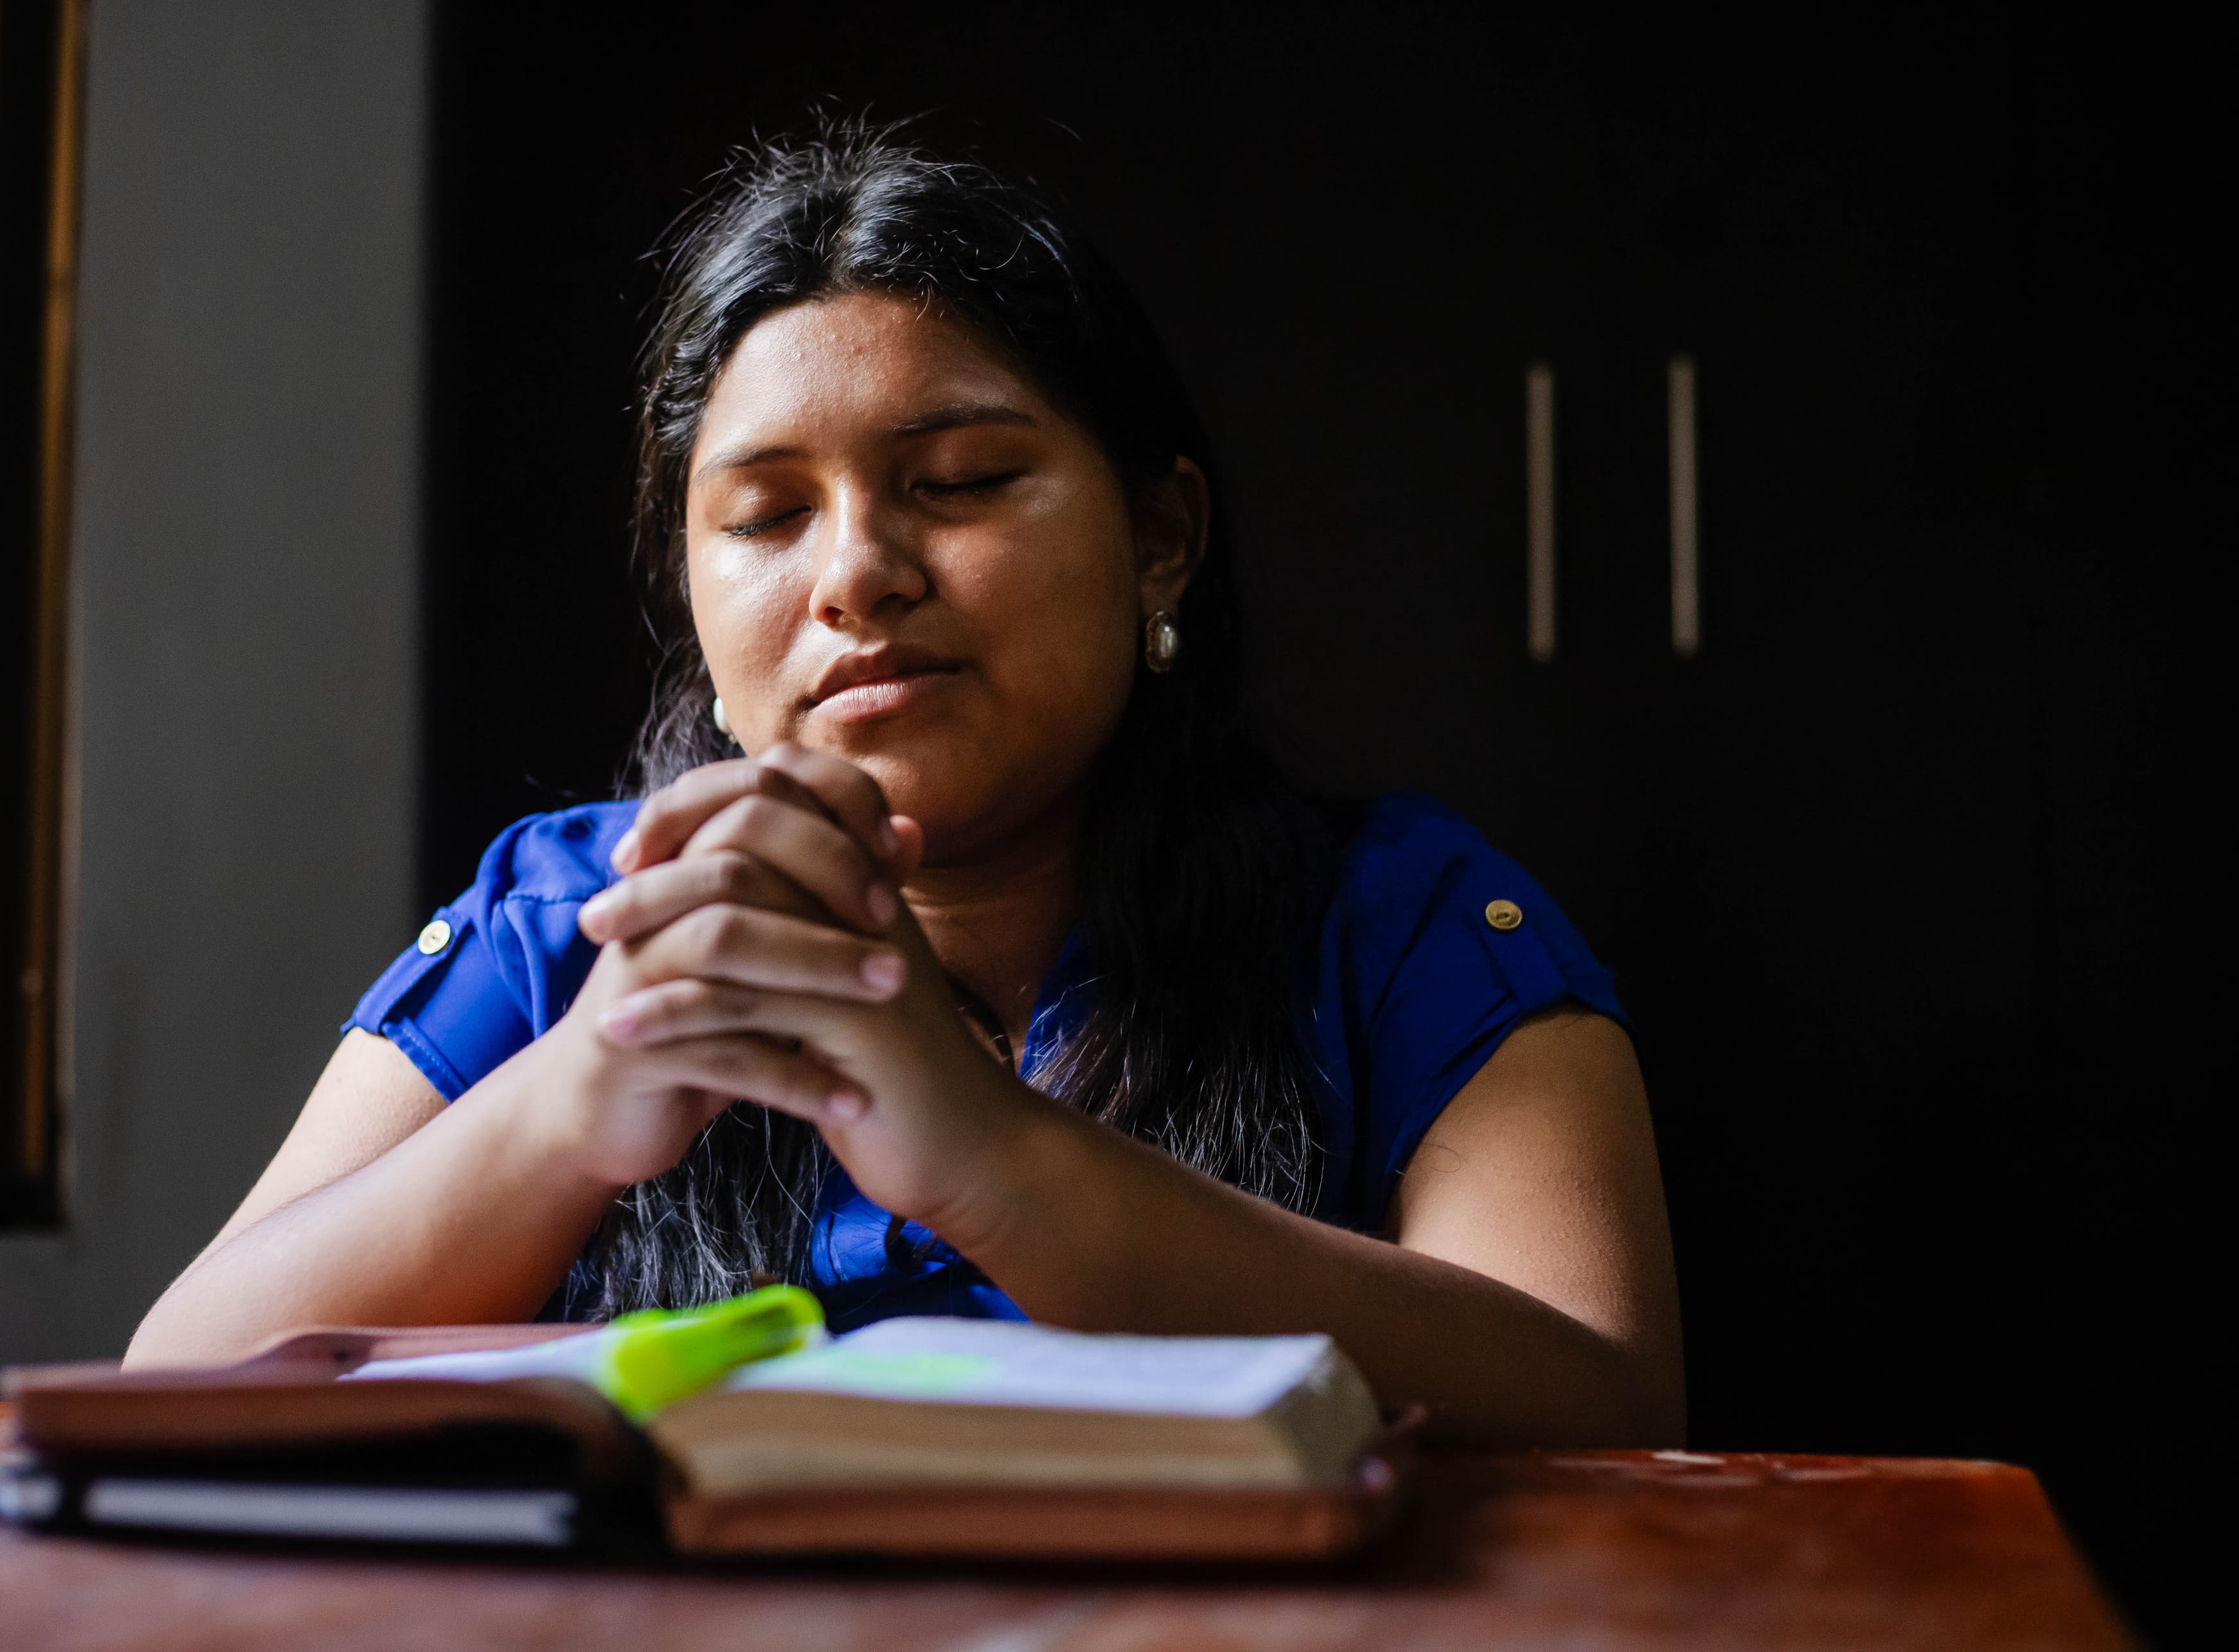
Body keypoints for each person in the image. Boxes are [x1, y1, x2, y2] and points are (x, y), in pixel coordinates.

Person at [128, 124, 1683, 1447]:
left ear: (1161, 541)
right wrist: (575, 1102)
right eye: (765, 516)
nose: (857, 575)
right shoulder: (570, 924)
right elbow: (177, 1380)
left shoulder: (1399, 919)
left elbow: (1610, 1405)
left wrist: (994, 1153)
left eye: (959, 485)